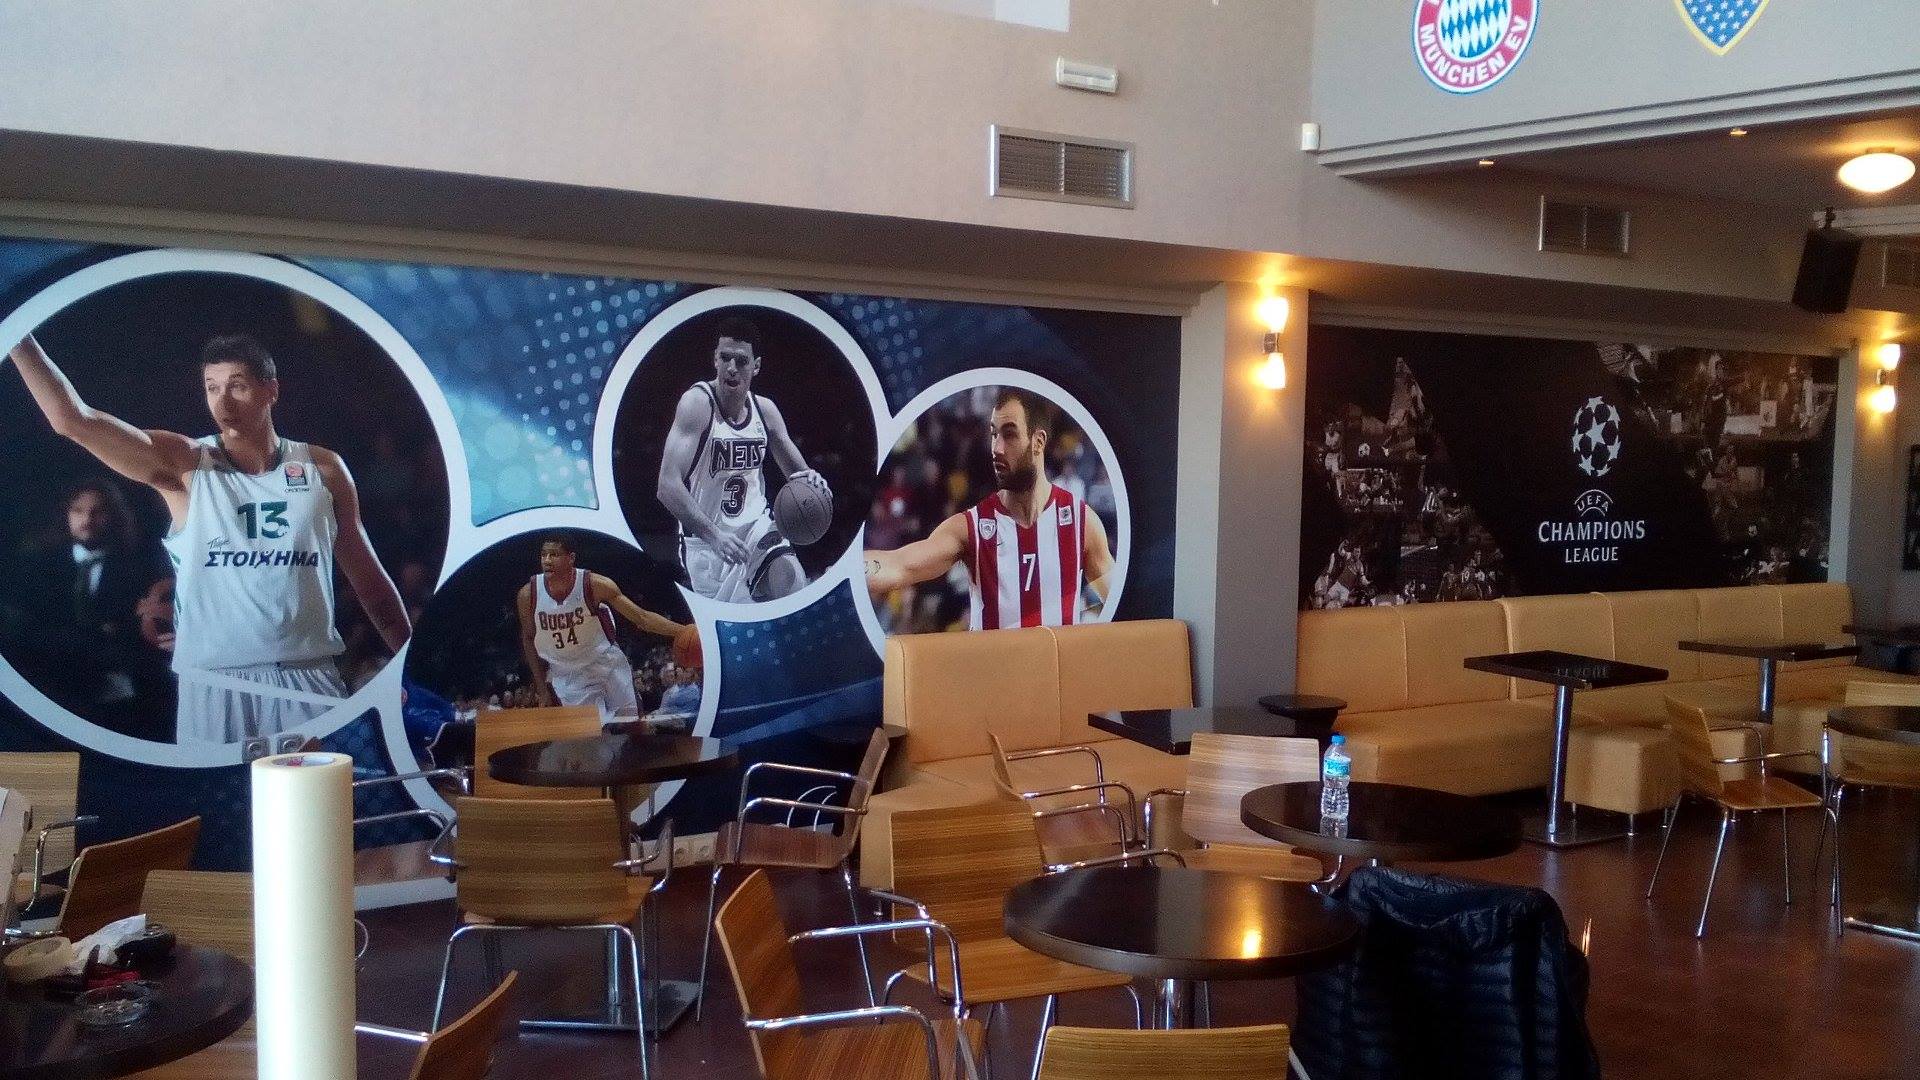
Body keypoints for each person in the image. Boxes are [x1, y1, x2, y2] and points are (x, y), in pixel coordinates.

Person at [8, 331, 411, 744]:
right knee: (224, 791)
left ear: (271, 390)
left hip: (305, 676)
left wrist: (410, 665)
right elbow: (72, 419)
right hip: (215, 682)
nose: (223, 402)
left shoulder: (322, 469)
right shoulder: (184, 463)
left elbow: (369, 581)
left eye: (237, 386)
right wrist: (17, 336)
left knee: (324, 789)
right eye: (212, 388)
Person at [864, 388, 1114, 629]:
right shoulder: (970, 527)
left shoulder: (1081, 522)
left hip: (1058, 660)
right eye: (994, 434)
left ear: (1038, 442)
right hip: (992, 660)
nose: (997, 448)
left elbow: (1121, 602)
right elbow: (899, 565)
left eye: (1009, 434)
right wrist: (848, 569)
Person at [655, 315, 830, 603]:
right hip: (706, 543)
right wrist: (714, 536)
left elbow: (799, 475)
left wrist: (813, 480)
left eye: (741, 361)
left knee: (792, 582)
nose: (732, 368)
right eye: (725, 358)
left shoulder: (766, 411)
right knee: (736, 622)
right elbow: (667, 486)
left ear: (756, 366)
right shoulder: (697, 404)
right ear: (715, 359)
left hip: (756, 529)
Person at [1, 480, 171, 736]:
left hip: (125, 697)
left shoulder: (142, 567)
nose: (87, 519)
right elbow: (28, 631)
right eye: (78, 510)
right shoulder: (40, 567)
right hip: (54, 692)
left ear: (114, 515)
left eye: (97, 511)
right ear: (66, 514)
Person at [517, 536, 687, 719]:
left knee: (630, 723)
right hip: (568, 674)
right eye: (543, 555)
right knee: (593, 731)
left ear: (571, 558)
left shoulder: (594, 585)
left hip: (605, 661)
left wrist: (684, 631)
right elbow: (528, 639)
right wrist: (541, 688)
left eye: (554, 555)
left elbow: (642, 618)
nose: (547, 560)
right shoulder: (528, 595)